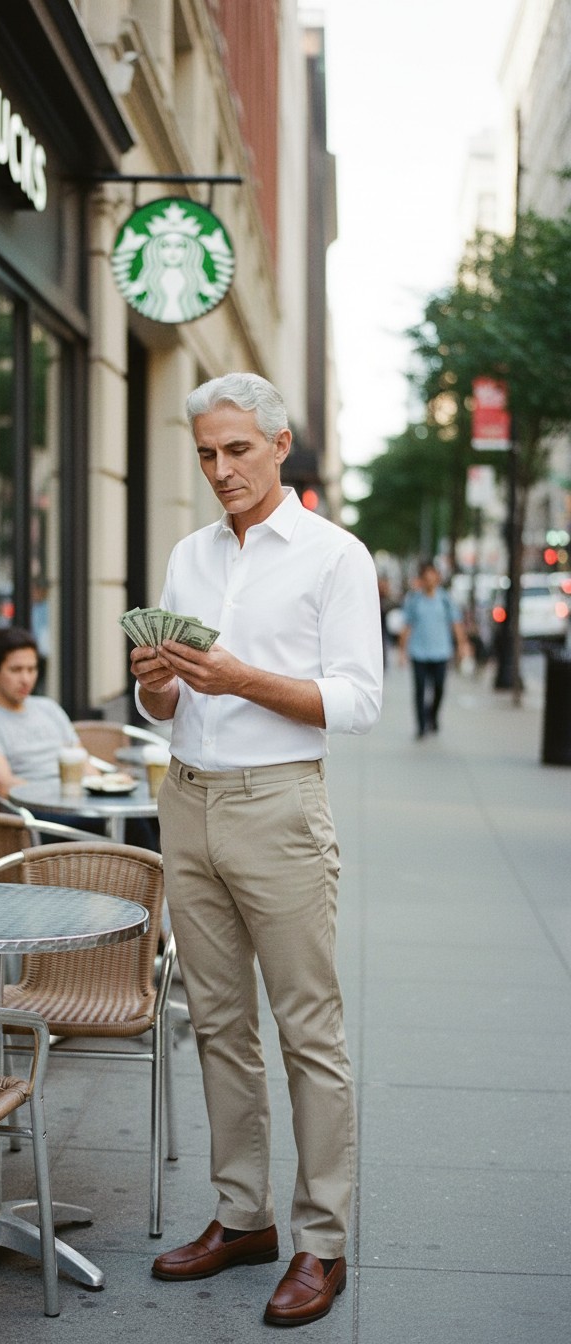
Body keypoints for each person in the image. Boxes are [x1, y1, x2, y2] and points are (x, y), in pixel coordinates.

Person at [131, 373, 383, 1327]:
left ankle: (322, 1241)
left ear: (280, 446)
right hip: (186, 801)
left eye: (237, 449)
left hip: (279, 807)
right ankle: (243, 1216)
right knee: (220, 1027)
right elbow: (164, 706)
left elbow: (359, 702)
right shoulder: (189, 555)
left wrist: (241, 678)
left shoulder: (334, 556)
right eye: (206, 452)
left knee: (308, 1033)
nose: (221, 468)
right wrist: (158, 687)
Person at [0, 626, 83, 798]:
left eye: (31, 669)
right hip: (28, 814)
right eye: (16, 670)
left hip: (75, 801)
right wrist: (62, 795)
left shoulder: (48, 708)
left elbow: (82, 764)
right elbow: (3, 786)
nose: (26, 680)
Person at [398, 560, 469, 739]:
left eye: (432, 577)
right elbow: (407, 626)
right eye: (426, 578)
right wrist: (402, 651)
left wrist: (462, 645)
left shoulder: (445, 599)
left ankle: (433, 716)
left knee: (439, 688)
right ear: (422, 580)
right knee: (420, 690)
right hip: (419, 652)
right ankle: (421, 726)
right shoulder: (414, 600)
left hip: (440, 652)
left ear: (437, 579)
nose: (429, 581)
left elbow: (456, 623)